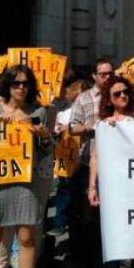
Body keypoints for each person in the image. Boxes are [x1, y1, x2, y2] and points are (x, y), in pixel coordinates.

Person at [0, 65, 54, 268]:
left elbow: (45, 152)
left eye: (25, 84)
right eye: (16, 83)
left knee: (26, 237)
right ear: (7, 86)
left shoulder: (38, 111)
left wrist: (45, 135)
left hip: (26, 181)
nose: (21, 88)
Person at [87, 75, 134, 268]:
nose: (123, 96)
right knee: (112, 230)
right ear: (109, 99)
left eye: (125, 92)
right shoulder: (103, 124)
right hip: (111, 187)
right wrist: (92, 187)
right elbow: (96, 157)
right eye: (117, 94)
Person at [66, 58, 114, 268]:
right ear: (94, 76)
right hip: (88, 162)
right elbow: (72, 128)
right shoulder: (84, 99)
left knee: (111, 214)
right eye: (103, 74)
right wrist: (94, 127)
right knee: (88, 214)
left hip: (115, 165)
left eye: (110, 73)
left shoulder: (119, 96)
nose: (107, 77)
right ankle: (88, 259)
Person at [47, 78, 85, 236]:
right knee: (65, 188)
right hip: (65, 153)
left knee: (76, 189)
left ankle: (73, 220)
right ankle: (60, 221)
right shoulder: (64, 110)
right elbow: (54, 128)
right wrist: (60, 129)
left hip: (82, 153)